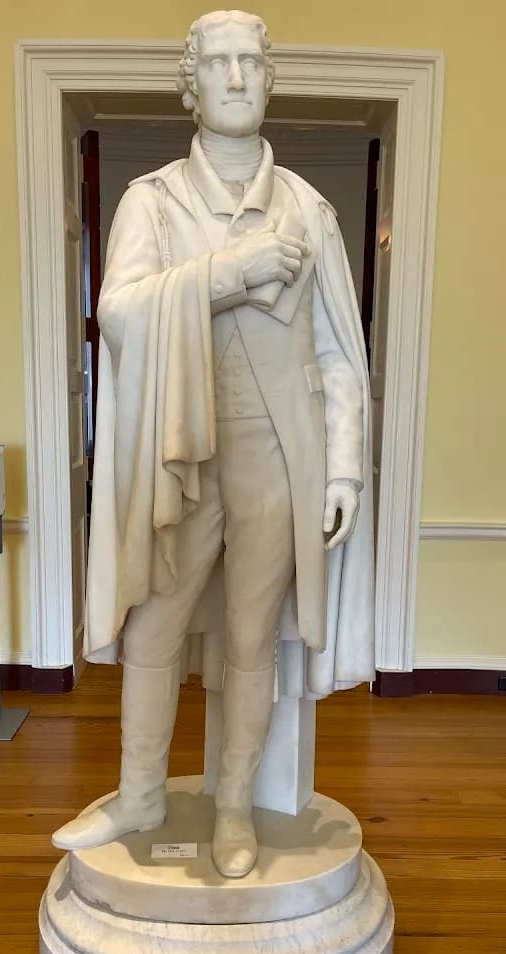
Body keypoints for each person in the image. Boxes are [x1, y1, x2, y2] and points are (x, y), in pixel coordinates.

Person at [52, 9, 375, 878]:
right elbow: (119, 312)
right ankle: (140, 791)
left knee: (252, 633)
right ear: (190, 86)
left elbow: (339, 352)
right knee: (154, 621)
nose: (236, 77)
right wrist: (232, 273)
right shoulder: (153, 202)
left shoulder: (309, 210)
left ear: (269, 80)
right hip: (180, 451)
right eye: (218, 63)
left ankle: (234, 804)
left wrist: (345, 467)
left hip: (281, 453)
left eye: (250, 63)